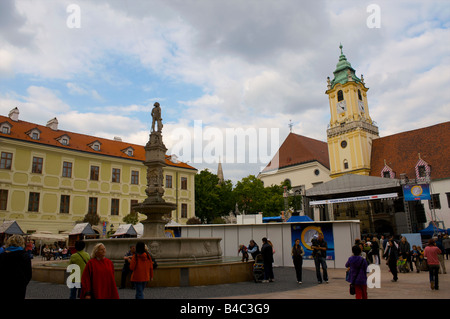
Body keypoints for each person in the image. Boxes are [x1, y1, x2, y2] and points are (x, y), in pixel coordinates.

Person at [0, 234, 32, 299]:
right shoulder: (25, 256)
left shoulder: (2, 255)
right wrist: (23, 283)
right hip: (19, 286)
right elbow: (28, 274)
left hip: (3, 286)